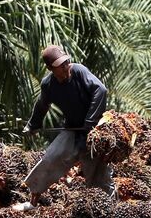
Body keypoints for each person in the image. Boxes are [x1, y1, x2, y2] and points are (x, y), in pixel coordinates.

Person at [19, 45, 113, 203]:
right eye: (60, 66)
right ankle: (33, 197)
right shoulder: (48, 84)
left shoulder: (79, 71)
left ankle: (108, 205)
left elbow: (101, 90)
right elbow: (42, 105)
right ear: (50, 69)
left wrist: (90, 123)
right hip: (73, 128)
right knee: (51, 157)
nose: (65, 67)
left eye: (66, 62)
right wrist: (32, 125)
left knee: (96, 173)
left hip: (95, 130)